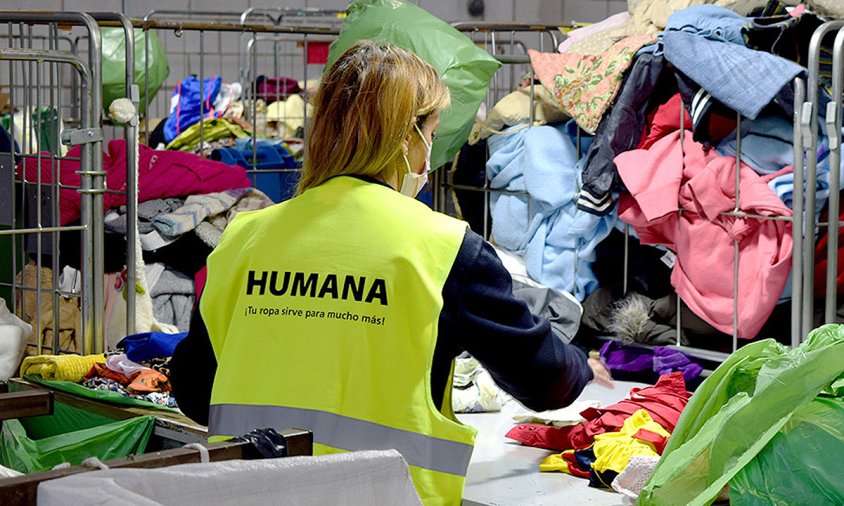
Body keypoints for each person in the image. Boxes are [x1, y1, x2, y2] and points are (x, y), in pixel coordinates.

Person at [170, 40, 612, 505]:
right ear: (406, 138)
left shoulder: (243, 239)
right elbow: (544, 381)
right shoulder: (445, 249)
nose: (428, 156)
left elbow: (196, 393)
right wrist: (580, 365)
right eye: (431, 133)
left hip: (247, 495)